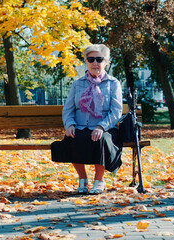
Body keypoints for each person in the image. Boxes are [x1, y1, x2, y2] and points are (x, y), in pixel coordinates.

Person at [51, 44, 123, 194]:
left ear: (106, 62)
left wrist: (101, 127)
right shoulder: (78, 84)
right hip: (80, 125)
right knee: (72, 138)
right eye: (91, 59)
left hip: (105, 127)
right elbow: (68, 109)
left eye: (99, 59)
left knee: (101, 139)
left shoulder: (113, 83)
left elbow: (116, 111)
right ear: (86, 61)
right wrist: (70, 124)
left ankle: (99, 180)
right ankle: (83, 179)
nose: (95, 63)